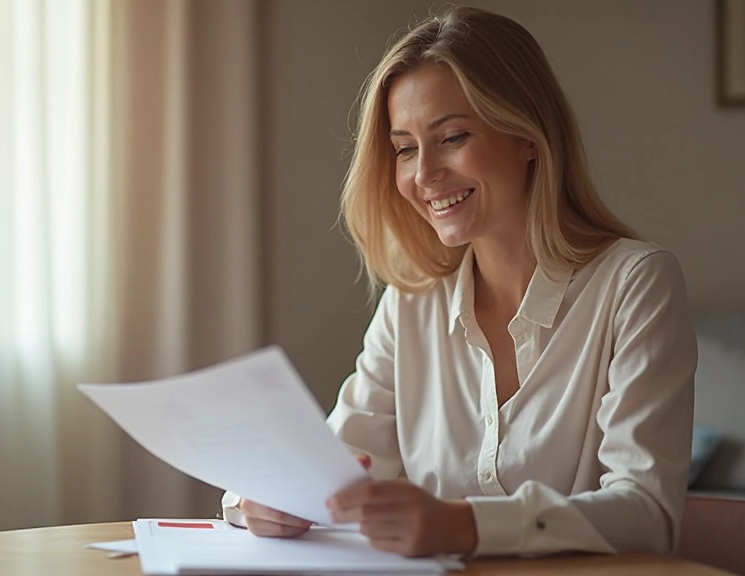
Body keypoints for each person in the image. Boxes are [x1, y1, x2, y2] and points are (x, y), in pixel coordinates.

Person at [222, 5, 697, 558]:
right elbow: (329, 467)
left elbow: (647, 512)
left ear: (528, 137)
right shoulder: (411, 305)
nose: (422, 175)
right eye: (404, 149)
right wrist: (263, 500)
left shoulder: (636, 284)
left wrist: (467, 526)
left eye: (452, 137)